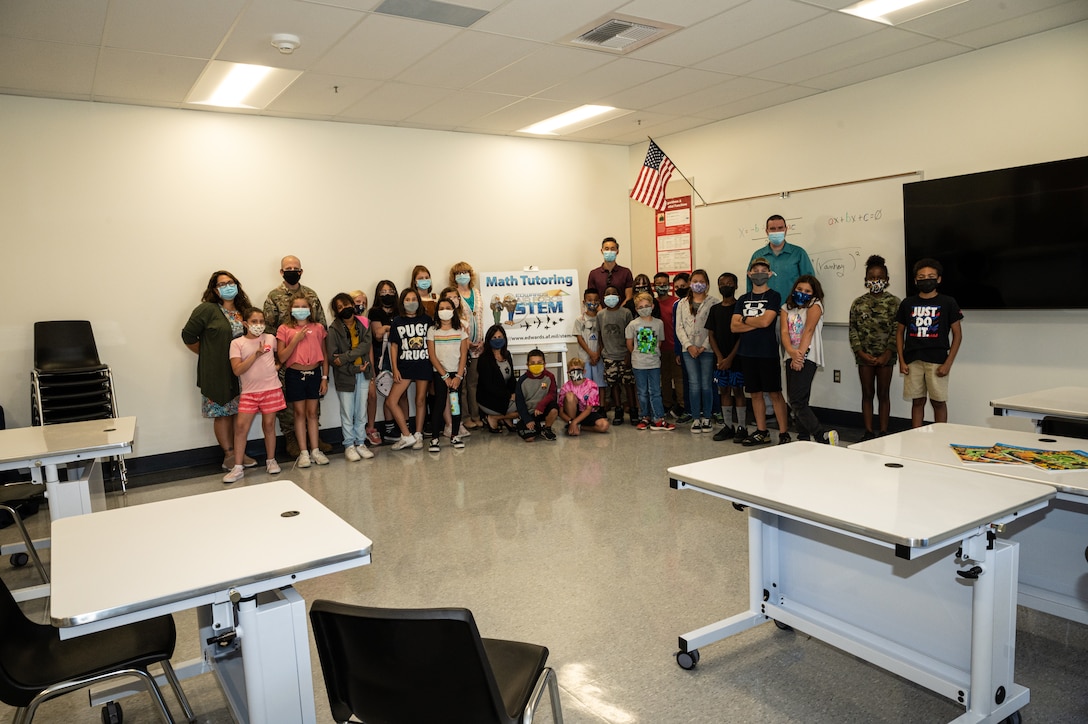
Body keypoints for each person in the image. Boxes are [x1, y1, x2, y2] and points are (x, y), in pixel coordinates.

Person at [181, 270, 257, 471]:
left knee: (239, 412)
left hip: (243, 371)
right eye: (222, 284)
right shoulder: (206, 310)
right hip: (217, 372)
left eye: (230, 282)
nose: (227, 286)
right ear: (214, 290)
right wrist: (209, 355)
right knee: (223, 412)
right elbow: (188, 336)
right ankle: (229, 455)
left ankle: (240, 453)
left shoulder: (245, 310)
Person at [263, 255, 329, 458]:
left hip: (311, 357)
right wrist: (276, 358)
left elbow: (320, 324)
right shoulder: (274, 296)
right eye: (288, 268)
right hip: (285, 358)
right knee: (289, 402)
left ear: (301, 271)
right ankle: (291, 437)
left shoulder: (310, 294)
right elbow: (268, 328)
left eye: (296, 268)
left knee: (312, 402)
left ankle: (313, 439)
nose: (292, 271)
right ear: (281, 272)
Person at [896, 258, 964, 428]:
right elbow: (899, 333)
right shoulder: (907, 303)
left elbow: (957, 335)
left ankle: (941, 437)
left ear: (939, 279)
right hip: (913, 360)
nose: (926, 279)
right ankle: (915, 436)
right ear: (915, 280)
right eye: (921, 276)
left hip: (938, 359)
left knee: (938, 402)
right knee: (917, 401)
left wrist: (948, 363)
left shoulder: (948, 302)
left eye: (931, 276)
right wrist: (902, 360)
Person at [731, 258, 789, 445]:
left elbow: (766, 322)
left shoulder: (774, 296)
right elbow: (733, 327)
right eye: (755, 270)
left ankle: (783, 433)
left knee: (774, 393)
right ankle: (761, 432)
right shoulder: (743, 299)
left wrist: (746, 320)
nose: (759, 273)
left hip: (767, 353)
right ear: (749, 274)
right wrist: (756, 322)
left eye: (763, 270)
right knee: (755, 393)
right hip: (747, 353)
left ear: (770, 274)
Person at [224, 308, 285, 483]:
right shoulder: (237, 343)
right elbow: (237, 370)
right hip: (250, 392)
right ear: (245, 324)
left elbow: (281, 355)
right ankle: (237, 467)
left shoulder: (270, 339)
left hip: (271, 389)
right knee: (241, 428)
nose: (258, 325)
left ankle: (271, 460)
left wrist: (278, 365)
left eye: (261, 321)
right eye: (254, 321)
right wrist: (255, 355)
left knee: (269, 425)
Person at [780, 275, 839, 446]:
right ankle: (803, 437)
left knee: (796, 400)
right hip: (790, 356)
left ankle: (821, 435)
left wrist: (800, 356)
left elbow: (809, 330)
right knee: (798, 399)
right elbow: (784, 332)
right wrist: (792, 352)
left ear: (814, 293)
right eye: (799, 290)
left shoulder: (815, 305)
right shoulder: (786, 308)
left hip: (808, 356)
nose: (802, 293)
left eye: (807, 291)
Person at [849, 255, 901, 440]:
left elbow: (898, 330)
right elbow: (853, 329)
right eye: (871, 277)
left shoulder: (895, 302)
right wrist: (860, 352)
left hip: (887, 356)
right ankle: (869, 431)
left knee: (883, 393)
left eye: (879, 277)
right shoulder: (858, 303)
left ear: (886, 281)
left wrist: (888, 352)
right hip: (864, 357)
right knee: (867, 393)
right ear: (865, 280)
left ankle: (884, 431)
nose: (875, 281)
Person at [276, 292, 329, 467]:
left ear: (310, 309)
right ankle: (304, 452)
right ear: (290, 309)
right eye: (296, 306)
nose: (300, 310)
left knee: (312, 414)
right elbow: (282, 357)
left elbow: (324, 356)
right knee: (299, 414)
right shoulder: (284, 329)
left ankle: (315, 450)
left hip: (314, 374)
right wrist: (296, 340)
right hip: (294, 375)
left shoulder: (318, 328)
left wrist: (324, 377)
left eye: (304, 306)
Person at [327, 293, 375, 462]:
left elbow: (365, 346)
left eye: (347, 304)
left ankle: (360, 442)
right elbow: (333, 358)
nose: (345, 309)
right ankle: (349, 445)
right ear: (336, 312)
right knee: (347, 412)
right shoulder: (333, 329)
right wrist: (353, 366)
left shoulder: (363, 323)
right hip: (345, 375)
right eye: (340, 307)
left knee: (361, 411)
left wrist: (346, 357)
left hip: (364, 372)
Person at [388, 288, 432, 450]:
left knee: (420, 400)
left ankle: (418, 434)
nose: (411, 302)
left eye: (414, 299)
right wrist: (395, 368)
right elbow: (393, 346)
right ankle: (406, 435)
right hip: (404, 365)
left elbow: (432, 343)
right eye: (408, 299)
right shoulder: (397, 321)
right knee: (391, 401)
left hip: (423, 363)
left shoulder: (427, 320)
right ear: (402, 302)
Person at [675, 269, 720, 433]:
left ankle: (707, 417)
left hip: (707, 349)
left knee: (706, 384)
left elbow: (714, 328)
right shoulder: (681, 303)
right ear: (690, 283)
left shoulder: (714, 302)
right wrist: (689, 346)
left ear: (707, 285)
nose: (698, 284)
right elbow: (679, 328)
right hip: (688, 350)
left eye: (702, 281)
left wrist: (703, 346)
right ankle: (696, 418)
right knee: (693, 384)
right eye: (695, 281)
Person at [707, 273, 747, 442]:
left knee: (738, 390)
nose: (726, 286)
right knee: (724, 390)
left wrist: (730, 358)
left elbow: (742, 337)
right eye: (722, 283)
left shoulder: (740, 307)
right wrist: (720, 357)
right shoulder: (715, 309)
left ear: (736, 286)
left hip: (737, 358)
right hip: (720, 360)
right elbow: (711, 335)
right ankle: (728, 426)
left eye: (729, 283)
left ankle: (742, 427)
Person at [626, 293, 674, 431]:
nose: (644, 308)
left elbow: (659, 342)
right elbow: (629, 344)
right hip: (639, 364)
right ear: (636, 309)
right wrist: (637, 355)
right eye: (641, 307)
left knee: (655, 391)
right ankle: (645, 417)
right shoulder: (633, 325)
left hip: (654, 364)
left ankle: (658, 418)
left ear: (652, 306)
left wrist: (651, 354)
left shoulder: (658, 323)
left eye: (647, 306)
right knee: (642, 392)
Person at [426, 297, 469, 453]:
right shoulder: (432, 330)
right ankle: (435, 439)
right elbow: (432, 355)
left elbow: (463, 354)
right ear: (437, 312)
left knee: (455, 405)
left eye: (448, 307)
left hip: (456, 375)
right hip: (440, 374)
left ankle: (455, 435)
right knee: (439, 405)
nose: (445, 311)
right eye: (441, 308)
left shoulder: (460, 330)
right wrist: (445, 376)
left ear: (453, 310)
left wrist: (458, 376)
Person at [746, 215, 815, 301]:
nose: (776, 232)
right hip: (764, 307)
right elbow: (750, 284)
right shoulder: (757, 255)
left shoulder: (798, 253)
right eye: (772, 229)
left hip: (792, 307)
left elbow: (810, 282)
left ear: (786, 230)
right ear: (767, 231)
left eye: (780, 228)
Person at [450, 262, 485, 430]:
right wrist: (466, 343)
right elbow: (454, 321)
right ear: (454, 277)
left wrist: (481, 341)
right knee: (462, 385)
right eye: (459, 273)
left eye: (465, 272)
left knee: (474, 383)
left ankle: (476, 415)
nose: (462, 275)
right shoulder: (453, 295)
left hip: (478, 346)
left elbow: (481, 317)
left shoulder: (477, 293)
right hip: (461, 346)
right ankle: (465, 417)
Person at [367, 280, 399, 444]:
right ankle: (389, 427)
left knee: (402, 391)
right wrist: (390, 328)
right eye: (383, 291)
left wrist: (388, 328)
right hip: (383, 355)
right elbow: (378, 334)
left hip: (401, 353)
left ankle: (402, 424)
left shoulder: (400, 309)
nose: (387, 294)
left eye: (390, 291)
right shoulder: (375, 312)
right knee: (389, 390)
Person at [598, 284, 634, 425]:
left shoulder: (626, 313)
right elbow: (600, 334)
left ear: (619, 297)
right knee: (613, 385)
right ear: (604, 297)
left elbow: (631, 335)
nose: (611, 296)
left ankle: (633, 411)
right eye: (608, 294)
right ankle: (618, 410)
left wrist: (629, 354)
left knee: (629, 384)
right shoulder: (600, 315)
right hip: (609, 356)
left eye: (614, 293)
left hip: (624, 354)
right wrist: (602, 351)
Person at [475, 324, 518, 432]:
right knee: (525, 409)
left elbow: (511, 379)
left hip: (505, 397)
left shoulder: (507, 355)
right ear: (488, 340)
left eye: (500, 337)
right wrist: (509, 396)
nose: (497, 340)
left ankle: (506, 419)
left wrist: (516, 393)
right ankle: (493, 418)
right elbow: (488, 386)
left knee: (525, 401)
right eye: (494, 338)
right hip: (489, 399)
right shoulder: (484, 359)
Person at [654, 272, 682, 418]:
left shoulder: (676, 302)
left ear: (670, 285)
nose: (661, 286)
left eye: (664, 284)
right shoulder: (651, 304)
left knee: (679, 378)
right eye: (658, 284)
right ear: (654, 286)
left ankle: (682, 406)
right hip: (659, 349)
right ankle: (666, 404)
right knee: (664, 378)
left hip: (675, 346)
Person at [514, 349, 559, 442]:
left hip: (543, 410)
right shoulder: (522, 381)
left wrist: (541, 405)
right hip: (529, 412)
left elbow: (552, 394)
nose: (536, 365)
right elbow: (520, 402)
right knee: (530, 438)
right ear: (527, 365)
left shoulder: (550, 377)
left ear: (544, 364)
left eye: (539, 362)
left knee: (554, 408)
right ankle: (536, 427)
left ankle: (546, 429)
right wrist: (527, 419)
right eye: (533, 363)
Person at [558, 357, 610, 436]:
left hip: (587, 412)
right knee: (569, 396)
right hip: (572, 414)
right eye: (572, 370)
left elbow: (589, 409)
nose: (575, 372)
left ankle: (580, 426)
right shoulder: (565, 387)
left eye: (578, 369)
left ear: (584, 371)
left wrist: (575, 422)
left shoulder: (592, 385)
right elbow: (561, 412)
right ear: (568, 372)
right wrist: (571, 421)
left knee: (604, 425)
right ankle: (572, 424)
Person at [668, 272, 693, 423]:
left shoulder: (700, 302)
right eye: (676, 287)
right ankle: (688, 410)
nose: (679, 289)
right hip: (684, 349)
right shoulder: (677, 305)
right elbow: (677, 330)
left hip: (702, 349)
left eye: (683, 286)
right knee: (686, 381)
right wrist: (678, 351)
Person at [573, 288, 605, 391]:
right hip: (585, 357)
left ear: (599, 301)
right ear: (584, 302)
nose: (593, 302)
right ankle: (588, 406)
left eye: (596, 300)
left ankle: (601, 406)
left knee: (600, 383)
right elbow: (579, 338)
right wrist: (591, 353)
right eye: (590, 300)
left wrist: (597, 354)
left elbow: (602, 337)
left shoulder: (602, 318)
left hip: (599, 356)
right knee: (586, 384)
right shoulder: (579, 320)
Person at [587, 237, 634, 304]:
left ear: (617, 251)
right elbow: (592, 298)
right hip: (600, 313)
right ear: (602, 251)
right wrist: (602, 313)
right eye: (606, 249)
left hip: (622, 313)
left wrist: (619, 312)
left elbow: (629, 297)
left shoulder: (626, 272)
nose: (609, 251)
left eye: (612, 249)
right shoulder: (594, 274)